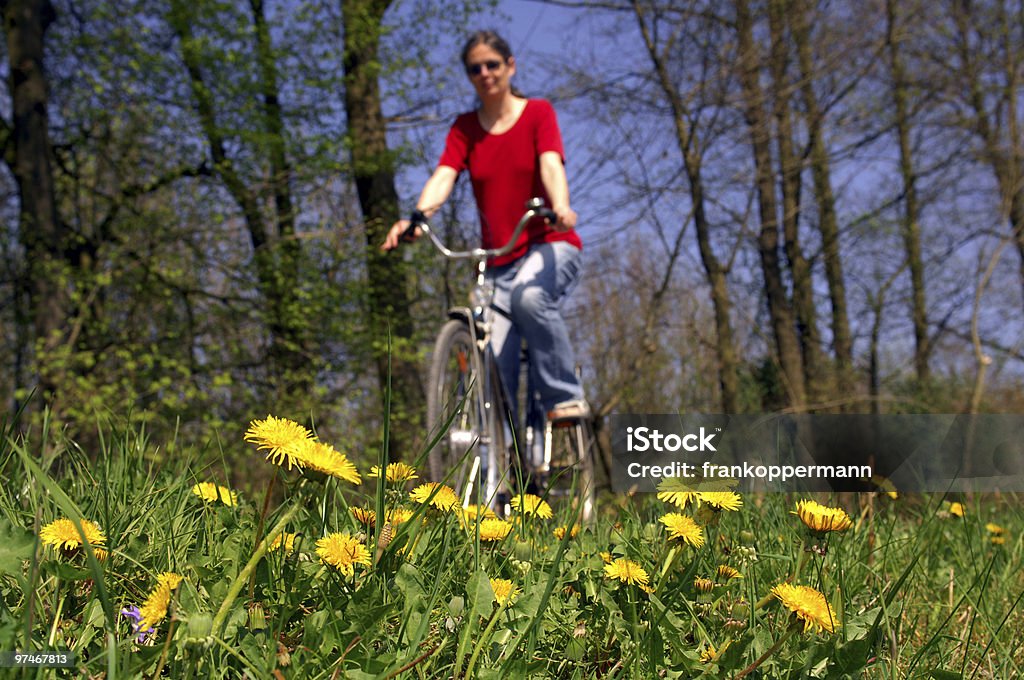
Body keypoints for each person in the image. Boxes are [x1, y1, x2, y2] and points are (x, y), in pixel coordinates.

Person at [382, 29, 588, 423]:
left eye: (492, 64)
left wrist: (560, 205)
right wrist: (417, 217)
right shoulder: (465, 128)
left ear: (510, 66)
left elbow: (549, 162)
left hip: (548, 243)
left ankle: (564, 397)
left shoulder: (537, 113)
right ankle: (505, 472)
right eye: (475, 68)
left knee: (530, 298)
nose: (485, 73)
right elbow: (444, 174)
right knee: (490, 360)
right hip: (497, 262)